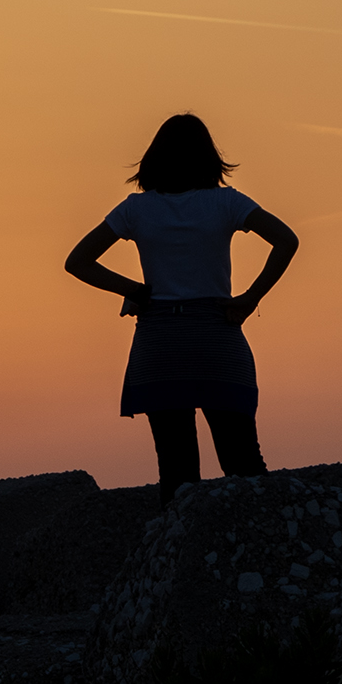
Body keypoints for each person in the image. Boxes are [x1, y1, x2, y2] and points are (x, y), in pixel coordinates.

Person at [64, 114, 301, 508]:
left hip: (161, 342)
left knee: (176, 474)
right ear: (209, 158)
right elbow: (286, 240)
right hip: (216, 337)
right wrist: (250, 298)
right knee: (243, 463)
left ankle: (177, 560)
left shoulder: (136, 209)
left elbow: (78, 261)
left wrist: (135, 289)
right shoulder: (227, 201)